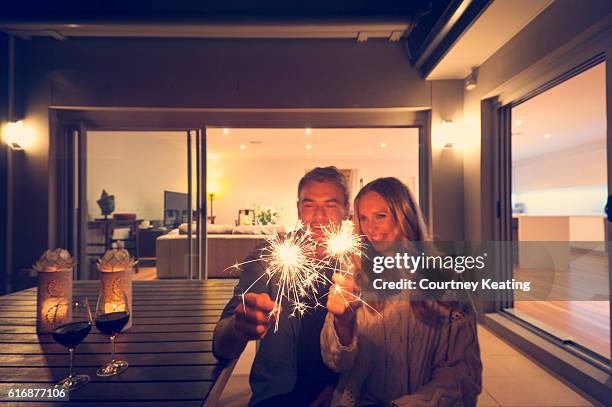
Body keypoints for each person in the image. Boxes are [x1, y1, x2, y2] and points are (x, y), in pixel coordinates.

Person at [321, 177, 482, 407]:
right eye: (363, 218)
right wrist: (342, 322)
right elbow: (335, 362)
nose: (370, 228)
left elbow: (463, 374)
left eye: (380, 216)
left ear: (405, 215)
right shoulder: (351, 276)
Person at [213, 166, 350, 406]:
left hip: (347, 394)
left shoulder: (358, 264)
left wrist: (342, 389)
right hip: (278, 395)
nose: (319, 216)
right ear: (298, 208)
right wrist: (239, 327)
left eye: (330, 204)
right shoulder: (270, 256)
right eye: (309, 204)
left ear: (346, 210)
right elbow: (221, 345)